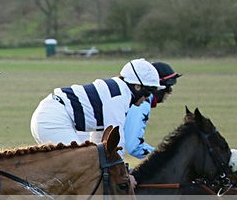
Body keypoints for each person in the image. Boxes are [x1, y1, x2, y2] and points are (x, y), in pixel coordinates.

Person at [30, 58, 164, 155]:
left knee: (88, 165)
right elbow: (115, 140)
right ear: (137, 87)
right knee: (80, 164)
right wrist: (122, 172)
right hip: (54, 119)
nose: (147, 98)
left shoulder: (119, 90)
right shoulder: (119, 95)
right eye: (148, 92)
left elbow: (100, 139)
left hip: (50, 116)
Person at [124, 61, 182, 158]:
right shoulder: (142, 105)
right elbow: (135, 147)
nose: (169, 92)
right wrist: (166, 157)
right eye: (168, 88)